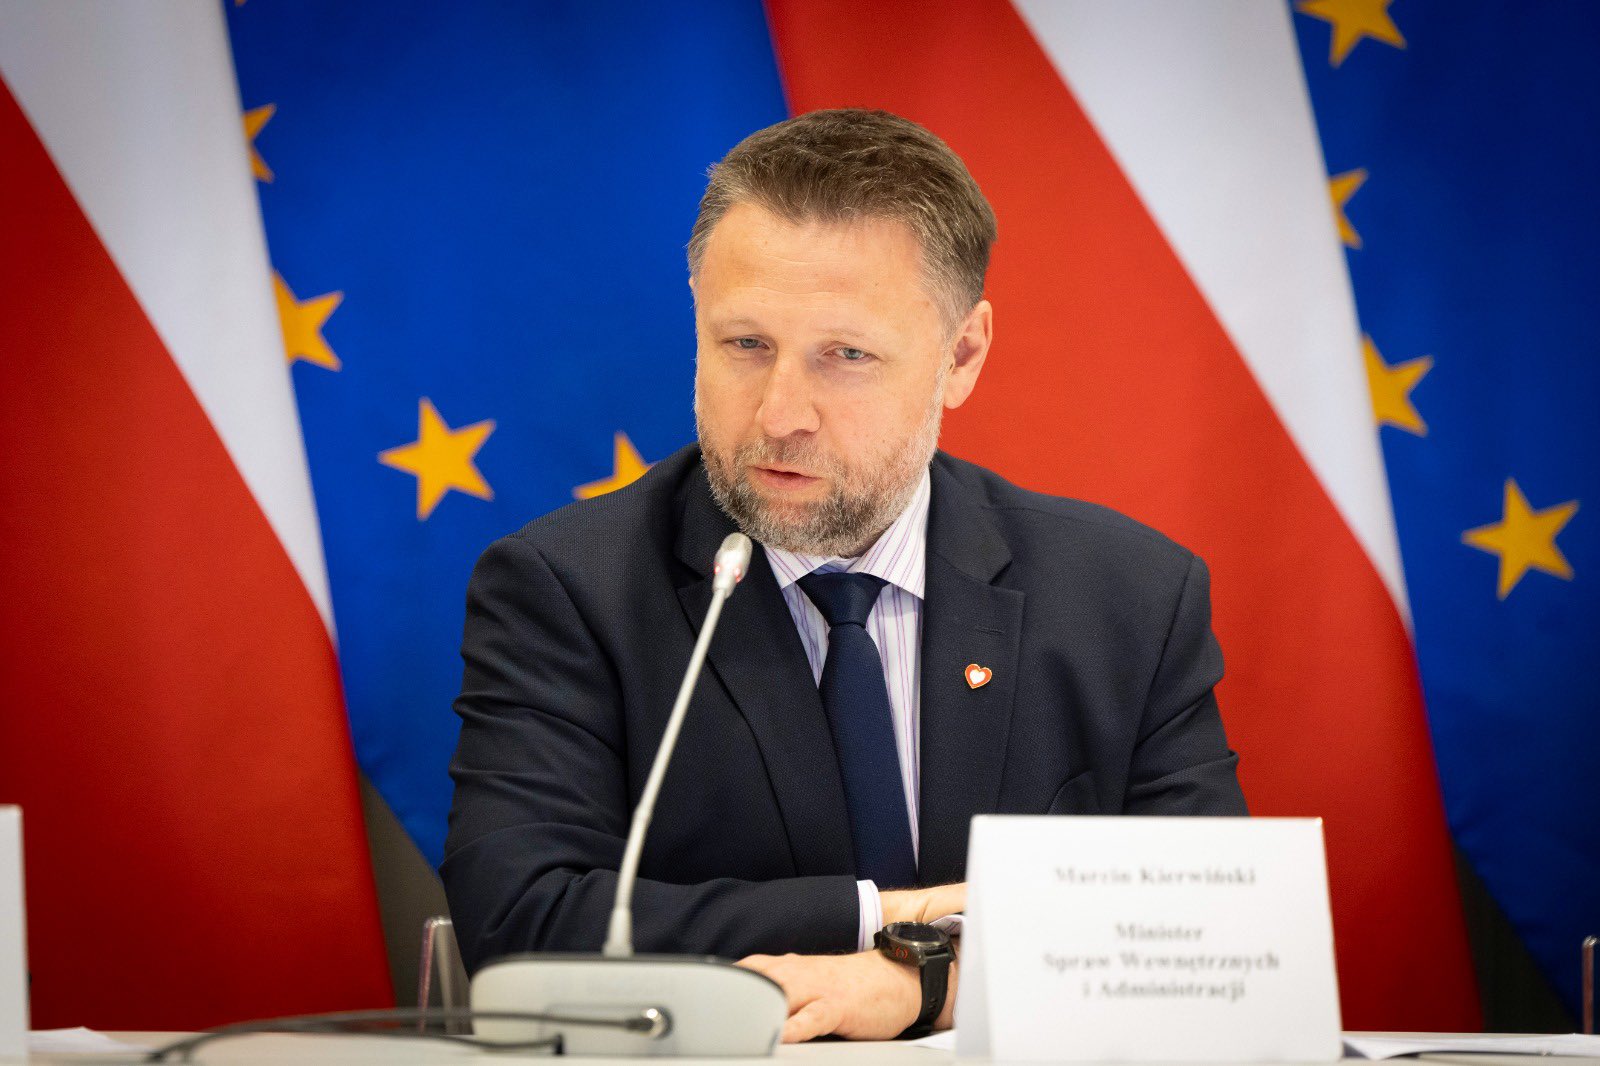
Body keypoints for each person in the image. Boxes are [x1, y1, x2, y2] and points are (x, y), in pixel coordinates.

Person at [441, 108, 1247, 1043]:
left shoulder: (1127, 598)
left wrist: (929, 984)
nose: (780, 414)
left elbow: (1209, 940)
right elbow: (523, 922)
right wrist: (875, 919)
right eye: (745, 344)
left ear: (962, 356)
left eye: (847, 355)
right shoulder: (566, 591)